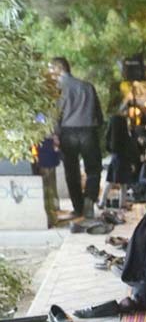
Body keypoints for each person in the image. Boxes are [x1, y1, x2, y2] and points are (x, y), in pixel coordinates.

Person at [50, 57, 104, 219]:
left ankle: (78, 208)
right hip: (88, 131)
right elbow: (98, 114)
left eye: (51, 69)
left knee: (71, 171)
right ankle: (89, 200)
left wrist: (55, 134)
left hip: (68, 132)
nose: (50, 73)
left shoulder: (57, 89)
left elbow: (55, 115)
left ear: (59, 69)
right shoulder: (87, 87)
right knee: (93, 169)